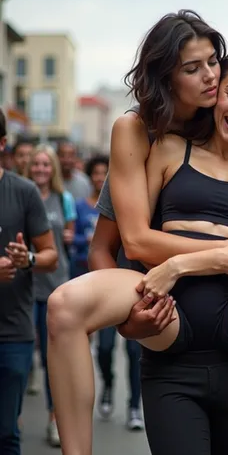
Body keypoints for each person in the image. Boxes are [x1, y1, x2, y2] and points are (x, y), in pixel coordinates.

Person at [47, 12, 228, 455]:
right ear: (167, 76)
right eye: (195, 69)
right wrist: (128, 321)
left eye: (213, 63)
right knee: (63, 305)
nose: (212, 79)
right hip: (167, 310)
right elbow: (127, 242)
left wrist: (193, 264)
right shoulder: (152, 139)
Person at [0, 108, 58, 455]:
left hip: (12, 334)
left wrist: (29, 259)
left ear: (2, 143)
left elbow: (50, 255)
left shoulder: (23, 192)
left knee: (6, 433)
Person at [74, 155, 145, 430]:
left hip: (140, 285)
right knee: (104, 348)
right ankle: (108, 383)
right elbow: (98, 247)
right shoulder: (111, 194)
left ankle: (133, 407)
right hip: (109, 283)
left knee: (134, 351)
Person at [25, 145, 76, 447]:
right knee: (19, 354)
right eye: (37, 164)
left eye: (46, 164)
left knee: (51, 357)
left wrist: (70, 236)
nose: (41, 169)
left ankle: (54, 419)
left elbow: (68, 239)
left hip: (56, 285)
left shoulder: (64, 199)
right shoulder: (20, 194)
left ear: (53, 168)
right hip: (25, 286)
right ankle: (11, 418)